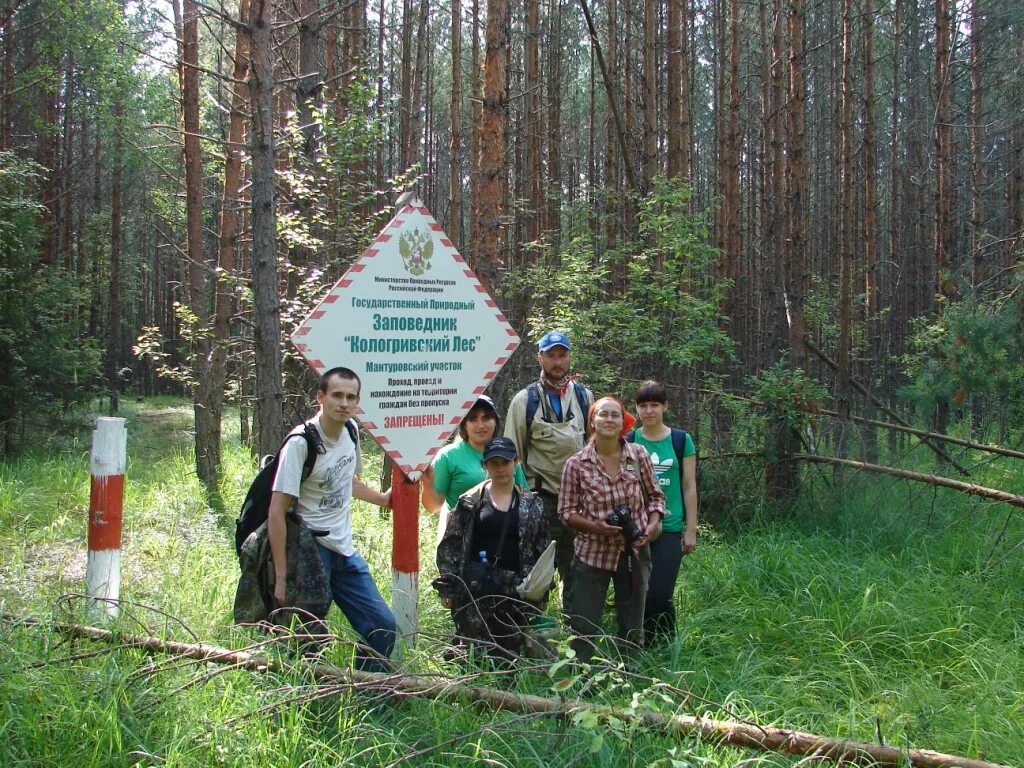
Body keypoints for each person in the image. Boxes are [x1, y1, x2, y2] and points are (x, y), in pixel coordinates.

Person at [268, 366, 396, 671]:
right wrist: (282, 576)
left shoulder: (351, 431)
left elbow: (344, 480)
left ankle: (370, 697)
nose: (344, 403)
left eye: (351, 397)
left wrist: (380, 499)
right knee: (308, 637)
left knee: (383, 626)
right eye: (337, 395)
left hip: (344, 549)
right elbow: (276, 510)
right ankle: (305, 706)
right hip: (310, 550)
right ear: (321, 397)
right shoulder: (302, 443)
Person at [558, 396, 665, 662]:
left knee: (632, 622)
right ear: (592, 422)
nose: (609, 419)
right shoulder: (576, 464)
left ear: (623, 422)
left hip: (634, 551)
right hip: (592, 554)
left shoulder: (638, 455)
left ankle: (629, 677)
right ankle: (580, 678)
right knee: (584, 624)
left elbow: (656, 497)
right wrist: (594, 527)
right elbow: (566, 512)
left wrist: (651, 528)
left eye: (615, 415)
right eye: (603, 414)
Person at [436, 437, 549, 660]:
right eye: (494, 463)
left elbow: (543, 550)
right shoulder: (470, 502)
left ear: (515, 463)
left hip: (515, 594)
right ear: (485, 465)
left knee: (509, 659)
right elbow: (451, 546)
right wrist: (448, 587)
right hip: (477, 590)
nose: (500, 469)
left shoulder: (532, 504)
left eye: (505, 462)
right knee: (472, 655)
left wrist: (540, 590)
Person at [504, 331, 593, 603]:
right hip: (540, 500)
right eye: (551, 355)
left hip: (580, 501)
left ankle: (578, 633)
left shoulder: (584, 397)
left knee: (579, 569)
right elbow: (511, 454)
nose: (557, 362)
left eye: (562, 355)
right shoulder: (525, 400)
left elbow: (594, 448)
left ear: (569, 357)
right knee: (538, 571)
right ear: (539, 358)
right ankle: (533, 633)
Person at [628, 380, 698, 640]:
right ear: (636, 408)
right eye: (643, 405)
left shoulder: (681, 440)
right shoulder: (630, 439)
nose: (649, 411)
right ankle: (639, 643)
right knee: (638, 590)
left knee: (660, 591)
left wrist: (691, 530)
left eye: (654, 405)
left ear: (665, 406)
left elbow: (689, 486)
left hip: (669, 526)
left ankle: (665, 644)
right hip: (636, 527)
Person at [422, 395, 527, 546]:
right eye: (473, 419)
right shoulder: (448, 456)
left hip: (504, 538)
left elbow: (524, 497)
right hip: (460, 540)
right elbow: (433, 506)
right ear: (464, 424)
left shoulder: (507, 453)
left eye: (486, 418)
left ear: (495, 421)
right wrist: (427, 484)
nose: (480, 425)